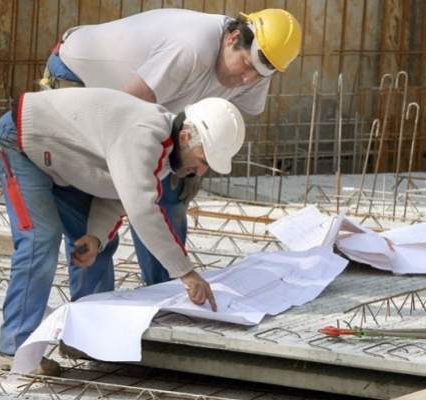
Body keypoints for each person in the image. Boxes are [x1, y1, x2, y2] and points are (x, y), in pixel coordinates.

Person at [41, 8, 302, 289]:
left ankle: (165, 295)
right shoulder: (191, 48)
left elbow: (220, 122)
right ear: (233, 38)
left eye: (260, 75)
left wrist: (195, 160)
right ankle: (92, 309)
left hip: (150, 110)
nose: (248, 80)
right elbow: (123, 119)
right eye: (247, 66)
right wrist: (130, 183)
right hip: (85, 80)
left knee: (171, 195)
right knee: (93, 211)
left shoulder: (259, 67)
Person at [0, 87, 245, 373]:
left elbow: (115, 192)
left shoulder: (163, 155)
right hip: (20, 143)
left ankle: (84, 340)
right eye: (203, 160)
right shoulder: (145, 136)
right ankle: (14, 349)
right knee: (40, 239)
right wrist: (186, 273)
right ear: (186, 137)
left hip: (58, 160)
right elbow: (141, 210)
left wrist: (96, 235)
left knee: (96, 249)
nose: (200, 172)